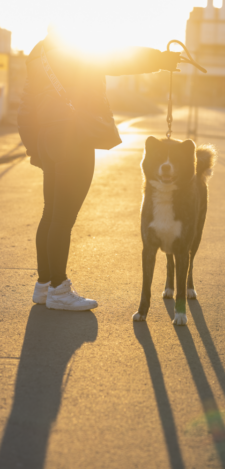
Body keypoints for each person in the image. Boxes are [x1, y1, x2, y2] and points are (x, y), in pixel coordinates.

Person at [18, 28, 181, 311]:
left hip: (48, 137)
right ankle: (59, 288)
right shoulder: (76, 47)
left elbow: (27, 104)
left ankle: (44, 286)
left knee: (50, 213)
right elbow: (118, 59)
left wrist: (35, 146)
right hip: (74, 138)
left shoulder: (38, 52)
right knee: (63, 218)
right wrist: (161, 59)